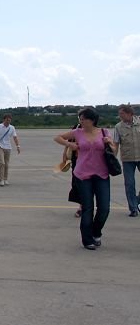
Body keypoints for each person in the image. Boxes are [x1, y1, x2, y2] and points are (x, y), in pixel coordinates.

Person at [54, 107, 116, 250]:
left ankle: (96, 232)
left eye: (83, 119)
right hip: (83, 174)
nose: (81, 122)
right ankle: (87, 239)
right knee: (87, 208)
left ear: (92, 120)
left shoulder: (104, 132)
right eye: (80, 119)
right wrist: (70, 144)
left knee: (104, 208)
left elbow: (113, 151)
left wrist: (109, 143)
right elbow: (57, 137)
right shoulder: (77, 132)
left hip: (101, 174)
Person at [113, 105, 140, 217]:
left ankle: (137, 200)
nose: (120, 116)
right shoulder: (118, 127)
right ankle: (133, 208)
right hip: (128, 159)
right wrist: (113, 159)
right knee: (129, 184)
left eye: (122, 114)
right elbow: (116, 143)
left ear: (130, 114)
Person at [0, 114, 20, 186]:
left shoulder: (12, 128)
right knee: (2, 163)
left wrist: (18, 146)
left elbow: (15, 137)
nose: (8, 121)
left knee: (6, 164)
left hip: (8, 147)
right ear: (4, 120)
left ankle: (5, 178)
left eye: (9, 120)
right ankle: (1, 179)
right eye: (7, 119)